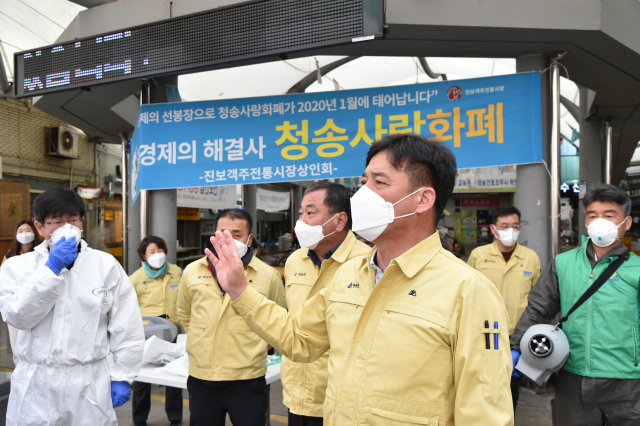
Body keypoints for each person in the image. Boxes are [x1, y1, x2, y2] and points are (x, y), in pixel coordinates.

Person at [207, 134, 514, 426]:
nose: (362, 193)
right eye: (364, 182)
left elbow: (484, 410)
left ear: (422, 199)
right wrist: (239, 290)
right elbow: (299, 339)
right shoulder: (349, 274)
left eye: (379, 182)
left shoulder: (469, 291)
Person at [0, 187, 144, 425]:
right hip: (37, 384)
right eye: (56, 221)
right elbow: (18, 316)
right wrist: (51, 269)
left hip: (88, 382)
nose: (66, 227)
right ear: (39, 227)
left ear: (82, 223)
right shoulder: (17, 267)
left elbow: (127, 324)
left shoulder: (104, 265)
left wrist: (123, 374)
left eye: (72, 220)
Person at [511, 183, 640, 426]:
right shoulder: (563, 263)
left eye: (609, 215)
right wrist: (517, 347)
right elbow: (538, 308)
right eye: (593, 215)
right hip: (572, 377)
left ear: (627, 222)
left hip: (627, 382)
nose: (600, 221)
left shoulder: (637, 269)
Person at [177, 209, 286, 426]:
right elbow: (185, 314)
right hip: (201, 377)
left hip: (247, 379)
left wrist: (254, 347)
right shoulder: (192, 271)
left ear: (249, 239)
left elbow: (278, 319)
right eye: (223, 233)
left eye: (237, 235)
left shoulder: (268, 276)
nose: (229, 240)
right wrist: (203, 339)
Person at [285, 182, 371, 425]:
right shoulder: (295, 260)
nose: (301, 221)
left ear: (340, 220)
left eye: (310, 213)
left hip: (343, 399)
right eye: (300, 213)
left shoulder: (367, 262)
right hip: (296, 395)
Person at [467, 206, 541, 410]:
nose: (511, 230)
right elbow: (467, 293)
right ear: (493, 229)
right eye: (505, 226)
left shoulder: (530, 258)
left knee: (510, 387)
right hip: (484, 332)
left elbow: (538, 300)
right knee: (481, 384)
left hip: (517, 336)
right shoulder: (478, 255)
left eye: (515, 226)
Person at [129, 236, 183, 426]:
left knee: (173, 375)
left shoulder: (176, 273)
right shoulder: (135, 279)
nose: (157, 255)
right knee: (143, 379)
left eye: (160, 250)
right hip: (147, 334)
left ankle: (175, 418)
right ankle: (139, 419)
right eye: (152, 251)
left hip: (173, 331)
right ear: (143, 255)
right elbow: (128, 307)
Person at [1, 220, 41, 366]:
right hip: (15, 303)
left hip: (36, 303)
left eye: (27, 230)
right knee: (16, 340)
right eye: (20, 231)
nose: (24, 234)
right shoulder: (11, 255)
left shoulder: (41, 253)